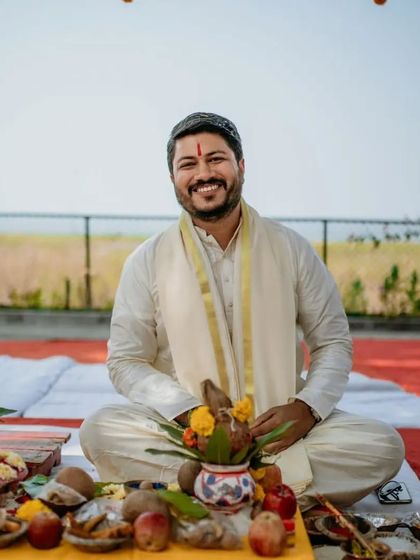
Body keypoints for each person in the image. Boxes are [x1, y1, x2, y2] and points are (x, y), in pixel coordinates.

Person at [80, 112, 404, 509]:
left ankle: (207, 491)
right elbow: (127, 361)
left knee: (383, 445)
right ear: (173, 179)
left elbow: (333, 342)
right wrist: (190, 415)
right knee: (99, 429)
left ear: (241, 167)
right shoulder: (147, 260)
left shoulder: (290, 248)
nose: (204, 173)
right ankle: (266, 490)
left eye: (216, 159)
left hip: (279, 435)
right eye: (188, 164)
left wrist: (307, 409)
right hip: (187, 438)